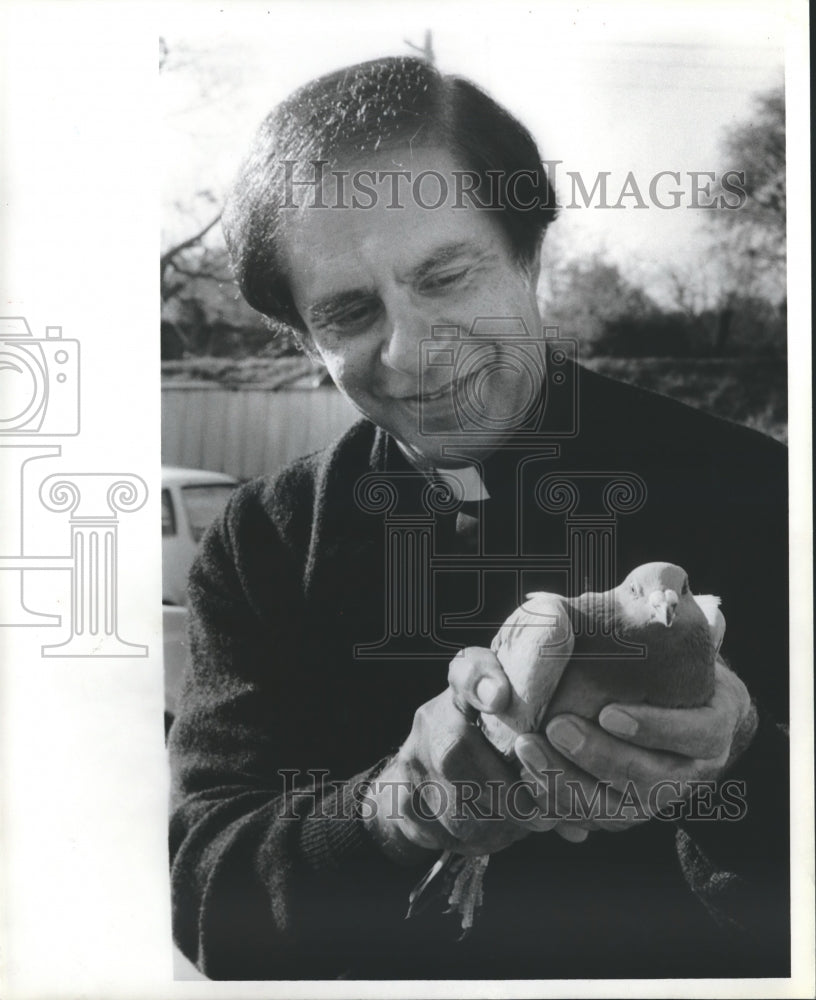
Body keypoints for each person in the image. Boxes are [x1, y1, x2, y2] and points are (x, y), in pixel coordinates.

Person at [168, 56, 789, 981]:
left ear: (530, 251)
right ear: (305, 341)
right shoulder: (262, 547)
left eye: (448, 276)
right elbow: (209, 906)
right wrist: (396, 808)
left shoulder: (754, 491)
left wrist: (738, 760)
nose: (414, 351)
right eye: (349, 313)